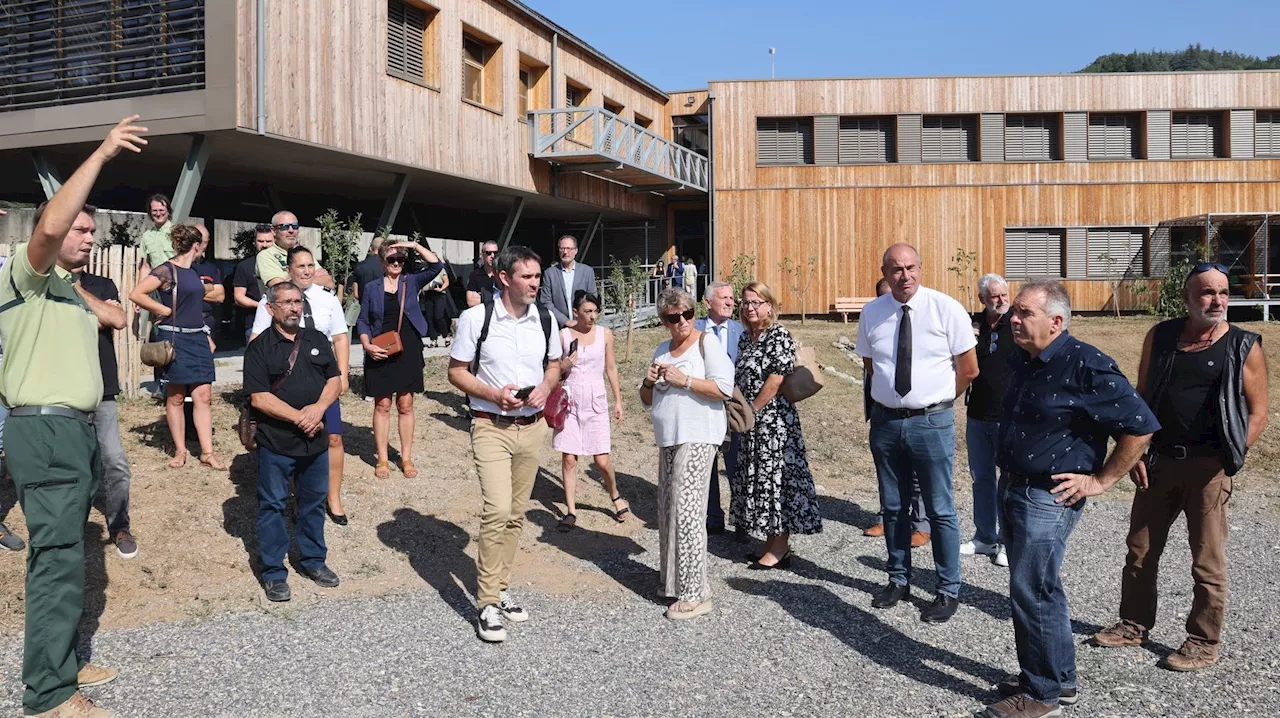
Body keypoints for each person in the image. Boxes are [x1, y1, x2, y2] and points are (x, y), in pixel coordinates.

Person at [0, 115, 143, 718]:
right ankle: (50, 696)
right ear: (51, 233)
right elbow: (51, 222)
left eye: (93, 231)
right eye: (80, 229)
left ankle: (62, 660)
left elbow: (115, 320)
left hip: (74, 431)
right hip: (47, 429)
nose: (88, 236)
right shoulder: (27, 276)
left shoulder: (69, 288)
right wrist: (103, 153)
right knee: (56, 562)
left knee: (66, 557)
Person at [981, 279, 1156, 718]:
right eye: (1014, 312)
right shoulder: (1027, 357)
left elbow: (1140, 424)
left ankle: (1041, 696)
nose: (1013, 319)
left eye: (1025, 313)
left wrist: (1101, 480)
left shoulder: (1086, 364)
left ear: (1057, 322)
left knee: (1031, 590)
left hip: (1048, 495)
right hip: (1015, 485)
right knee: (1040, 587)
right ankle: (1057, 678)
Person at [1091, 264, 1268, 672]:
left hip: (1209, 469)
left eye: (1223, 292)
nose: (1217, 300)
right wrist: (1133, 454)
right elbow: (1142, 400)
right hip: (1158, 464)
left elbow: (1257, 413)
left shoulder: (1244, 345)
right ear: (1187, 298)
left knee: (1207, 561)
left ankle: (1204, 641)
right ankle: (1133, 625)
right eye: (1207, 293)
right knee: (1140, 551)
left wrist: (1230, 459)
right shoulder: (1162, 336)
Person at [856, 243, 978, 624]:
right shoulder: (872, 313)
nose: (904, 275)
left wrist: (935, 402)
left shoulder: (946, 309)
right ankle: (897, 579)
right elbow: (871, 364)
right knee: (892, 506)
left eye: (910, 268)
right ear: (884, 271)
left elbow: (969, 369)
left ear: (921, 269)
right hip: (887, 422)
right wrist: (895, 401)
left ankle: (947, 588)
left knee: (940, 509)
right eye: (895, 269)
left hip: (932, 422)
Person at [448, 245, 561, 643]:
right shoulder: (476, 319)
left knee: (515, 514)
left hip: (532, 428)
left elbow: (554, 365)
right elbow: (456, 372)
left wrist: (546, 387)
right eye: (527, 277)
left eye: (537, 276)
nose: (535, 283)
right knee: (496, 510)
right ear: (503, 279)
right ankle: (486, 603)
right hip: (490, 425)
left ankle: (501, 586)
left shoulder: (545, 318)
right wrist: (494, 395)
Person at [244, 281, 343, 603]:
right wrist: (299, 417)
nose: (294, 308)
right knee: (273, 506)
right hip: (277, 443)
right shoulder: (259, 348)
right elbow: (259, 398)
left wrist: (317, 409)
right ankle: (273, 572)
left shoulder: (315, 339)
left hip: (315, 443)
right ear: (270, 308)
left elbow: (334, 379)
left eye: (298, 301)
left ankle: (314, 561)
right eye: (286, 302)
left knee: (313, 503)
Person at [640, 287, 732, 619]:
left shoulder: (708, 343)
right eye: (672, 317)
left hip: (699, 435)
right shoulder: (662, 349)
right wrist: (649, 382)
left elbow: (723, 388)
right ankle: (673, 582)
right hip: (668, 437)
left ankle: (696, 593)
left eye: (687, 315)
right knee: (668, 510)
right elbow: (646, 400)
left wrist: (685, 380)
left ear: (694, 313)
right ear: (663, 320)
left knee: (689, 510)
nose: (681, 322)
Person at [251, 246, 351, 524]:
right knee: (297, 438)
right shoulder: (272, 301)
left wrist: (342, 376)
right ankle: (301, 498)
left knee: (333, 438)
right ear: (289, 270)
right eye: (300, 266)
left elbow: (341, 337)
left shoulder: (327, 299)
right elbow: (257, 339)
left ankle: (333, 497)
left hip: (324, 382)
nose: (306, 271)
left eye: (310, 266)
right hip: (289, 385)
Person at [731, 281, 823, 568]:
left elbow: (776, 379)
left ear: (769, 306)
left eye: (755, 302)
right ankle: (771, 541)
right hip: (752, 423)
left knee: (776, 481)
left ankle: (780, 546)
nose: (749, 308)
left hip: (774, 424)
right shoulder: (747, 338)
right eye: (745, 302)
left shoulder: (778, 335)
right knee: (760, 480)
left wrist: (753, 411)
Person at [129, 224, 226, 470]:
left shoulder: (194, 271)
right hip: (175, 340)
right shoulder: (166, 270)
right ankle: (180, 451)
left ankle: (207, 452)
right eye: (202, 244)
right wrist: (162, 310)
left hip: (198, 337)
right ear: (196, 246)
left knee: (203, 396)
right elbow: (137, 293)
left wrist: (206, 334)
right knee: (176, 397)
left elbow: (198, 303)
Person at [357, 241, 443, 479]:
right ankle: (382, 459)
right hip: (380, 346)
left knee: (405, 404)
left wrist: (414, 245)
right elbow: (363, 320)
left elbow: (437, 266)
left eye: (400, 260)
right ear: (382, 261)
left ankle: (406, 457)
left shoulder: (411, 281)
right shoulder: (372, 287)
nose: (396, 264)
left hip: (408, 347)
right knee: (382, 404)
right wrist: (366, 344)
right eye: (391, 259)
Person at [72, 264, 137, 560]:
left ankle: (120, 526)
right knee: (73, 464)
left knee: (114, 459)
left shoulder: (102, 284)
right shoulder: (44, 284)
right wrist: (97, 314)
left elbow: (117, 319)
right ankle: (71, 528)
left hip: (103, 386)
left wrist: (76, 297)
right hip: (63, 389)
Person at [863, 277, 930, 548]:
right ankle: (885, 517)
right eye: (884, 295)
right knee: (887, 471)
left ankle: (921, 524)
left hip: (916, 413)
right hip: (884, 410)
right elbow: (870, 366)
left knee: (915, 474)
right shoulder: (874, 319)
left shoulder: (918, 321)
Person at [553, 291, 628, 531]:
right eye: (588, 311)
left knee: (602, 460)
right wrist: (563, 366)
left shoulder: (604, 335)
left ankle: (615, 495)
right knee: (569, 459)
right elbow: (552, 370)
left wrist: (618, 400)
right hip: (571, 401)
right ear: (576, 312)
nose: (593, 316)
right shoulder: (563, 336)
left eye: (596, 311)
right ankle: (571, 511)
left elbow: (611, 368)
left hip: (596, 401)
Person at [963, 273, 1013, 568]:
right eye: (994, 296)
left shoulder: (1017, 323)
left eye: (1004, 294)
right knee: (981, 479)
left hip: (1008, 417)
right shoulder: (973, 324)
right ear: (982, 299)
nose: (1001, 300)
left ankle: (1006, 542)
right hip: (977, 414)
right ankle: (984, 537)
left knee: (1007, 482)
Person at [695, 281, 744, 536]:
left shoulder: (741, 330)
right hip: (705, 405)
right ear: (707, 303)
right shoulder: (694, 330)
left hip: (734, 407)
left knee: (736, 462)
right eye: (724, 297)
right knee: (708, 462)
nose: (730, 302)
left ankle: (742, 518)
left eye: (732, 298)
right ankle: (713, 516)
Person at [255, 210, 335, 295]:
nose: (291, 230)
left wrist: (292, 279)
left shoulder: (303, 254)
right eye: (284, 227)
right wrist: (313, 278)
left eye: (295, 226)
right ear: (274, 231)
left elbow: (329, 282)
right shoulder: (265, 256)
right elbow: (280, 288)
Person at [135, 193, 175, 342]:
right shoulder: (146, 236)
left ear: (168, 211)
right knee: (159, 328)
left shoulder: (177, 232)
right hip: (156, 289)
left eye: (161, 210)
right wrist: (140, 294)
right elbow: (145, 266)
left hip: (175, 287)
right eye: (154, 211)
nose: (158, 214)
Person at [538, 234, 598, 329]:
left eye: (569, 248)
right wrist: (566, 321)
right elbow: (546, 302)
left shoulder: (587, 271)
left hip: (583, 325)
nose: (565, 252)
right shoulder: (550, 274)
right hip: (559, 327)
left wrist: (582, 319)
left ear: (575, 251)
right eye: (562, 248)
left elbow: (592, 298)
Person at [233, 224, 275, 343]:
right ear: (255, 242)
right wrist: (262, 306)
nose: (265, 245)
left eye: (268, 241)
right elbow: (238, 297)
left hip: (283, 323)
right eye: (260, 241)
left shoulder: (283, 263)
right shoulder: (244, 266)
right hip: (255, 324)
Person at [192, 224, 225, 350]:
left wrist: (193, 291)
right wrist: (207, 288)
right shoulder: (180, 267)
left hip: (207, 319)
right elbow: (180, 293)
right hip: (187, 321)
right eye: (199, 241)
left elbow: (220, 296)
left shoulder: (211, 267)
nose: (202, 246)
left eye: (205, 242)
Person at [420, 256, 452, 347]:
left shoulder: (440, 269)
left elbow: (446, 281)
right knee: (429, 318)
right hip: (428, 294)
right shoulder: (424, 269)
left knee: (439, 316)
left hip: (439, 293)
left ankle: (446, 336)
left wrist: (441, 289)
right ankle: (433, 339)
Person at [348, 235, 386, 304]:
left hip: (365, 307)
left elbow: (356, 294)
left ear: (371, 248)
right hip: (383, 306)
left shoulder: (359, 266)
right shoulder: (387, 266)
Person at [465, 240, 499, 307]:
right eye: (488, 253)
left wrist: (482, 297)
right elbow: (471, 302)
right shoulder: (474, 275)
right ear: (482, 255)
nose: (492, 256)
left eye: (495, 253)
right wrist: (497, 298)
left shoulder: (503, 275)